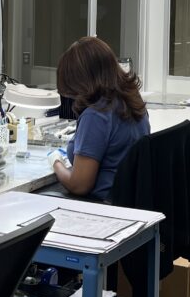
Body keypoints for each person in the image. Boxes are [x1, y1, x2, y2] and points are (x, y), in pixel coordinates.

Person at [50, 37, 150, 200]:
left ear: (83, 81)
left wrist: (56, 163)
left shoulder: (96, 114)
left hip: (104, 205)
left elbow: (79, 185)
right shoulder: (131, 101)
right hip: (130, 202)